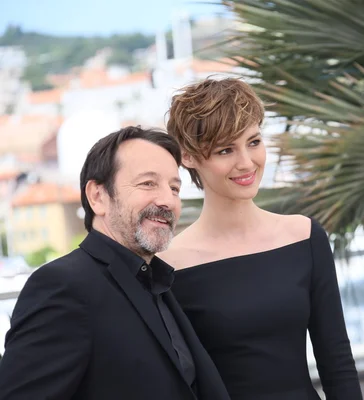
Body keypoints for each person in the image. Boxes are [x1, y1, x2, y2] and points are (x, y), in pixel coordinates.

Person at [160, 78, 363, 400]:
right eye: (226, 149)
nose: (246, 162)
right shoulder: (168, 266)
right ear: (188, 156)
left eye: (253, 142)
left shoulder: (304, 236)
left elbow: (336, 361)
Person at [0, 126, 230, 400]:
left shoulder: (159, 283)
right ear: (98, 196)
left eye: (174, 188)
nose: (167, 200)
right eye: (148, 183)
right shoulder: (63, 286)